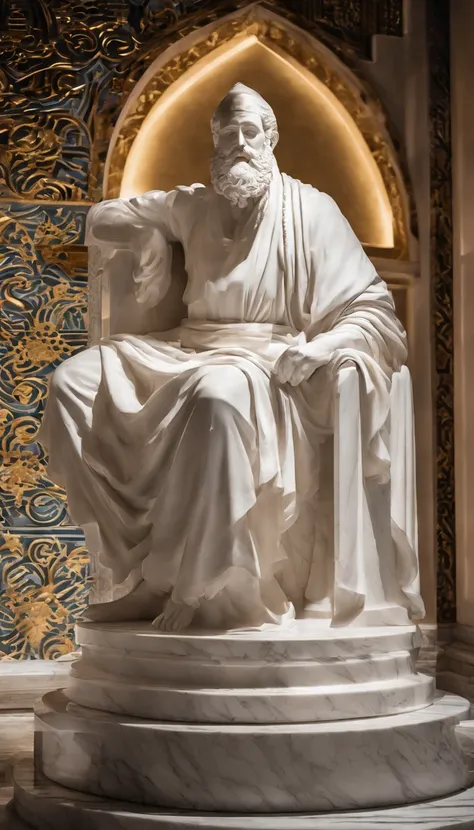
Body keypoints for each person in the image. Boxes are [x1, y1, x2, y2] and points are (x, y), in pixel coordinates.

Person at [40, 83, 424, 632]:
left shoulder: (313, 212)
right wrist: (148, 234)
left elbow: (374, 313)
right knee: (73, 384)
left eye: (251, 132)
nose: (240, 143)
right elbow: (102, 217)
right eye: (229, 132)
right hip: (188, 345)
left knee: (217, 397)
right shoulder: (193, 204)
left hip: (266, 361)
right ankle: (144, 572)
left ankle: (226, 588)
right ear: (215, 142)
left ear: (271, 140)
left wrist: (320, 348)